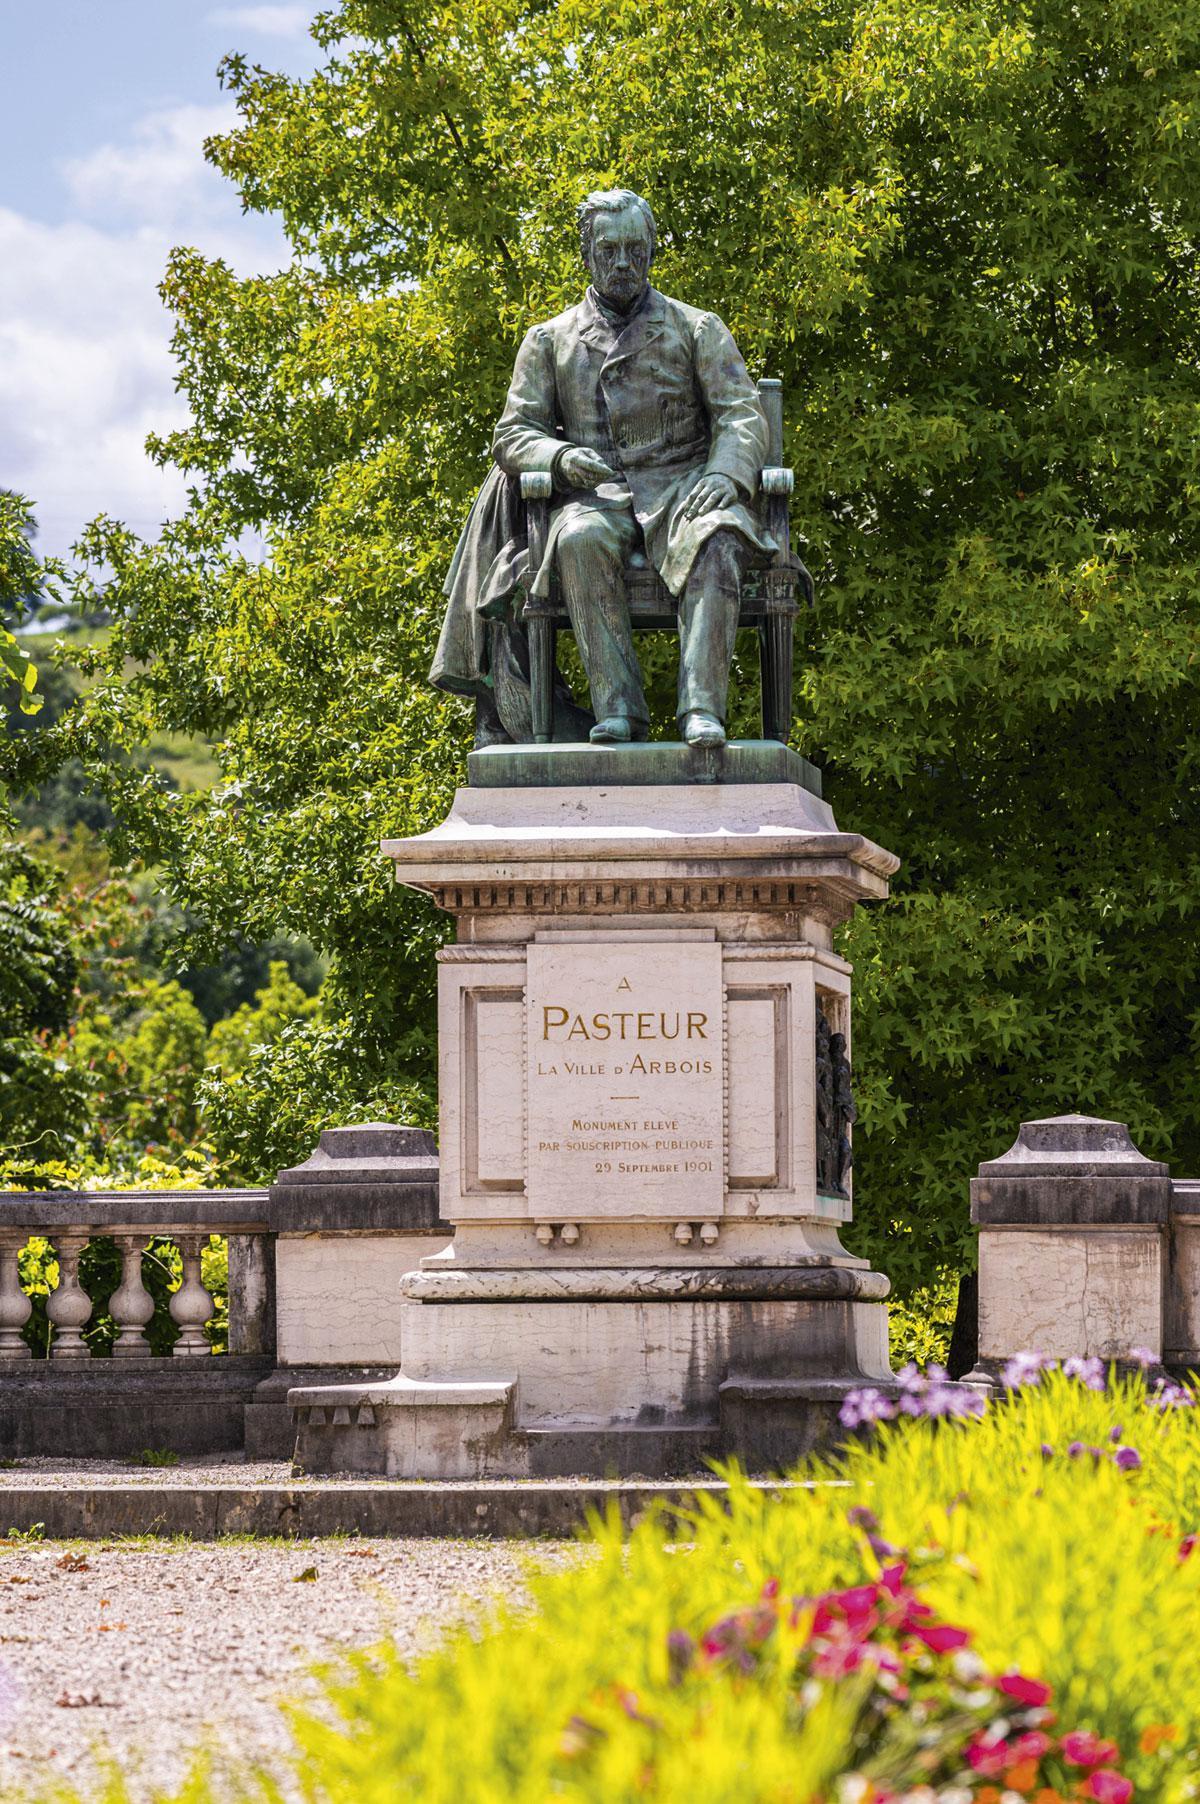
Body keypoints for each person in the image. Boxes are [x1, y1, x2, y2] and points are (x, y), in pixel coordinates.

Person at [432, 188, 775, 747]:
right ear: (587, 253)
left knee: (720, 537)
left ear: (652, 251)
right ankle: (619, 711)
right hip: (597, 496)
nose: (623, 263)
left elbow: (742, 416)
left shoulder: (697, 328)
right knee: (579, 539)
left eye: (635, 250)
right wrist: (562, 457)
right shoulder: (550, 340)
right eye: (610, 251)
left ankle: (700, 712)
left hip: (684, 489)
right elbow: (513, 433)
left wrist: (724, 475)